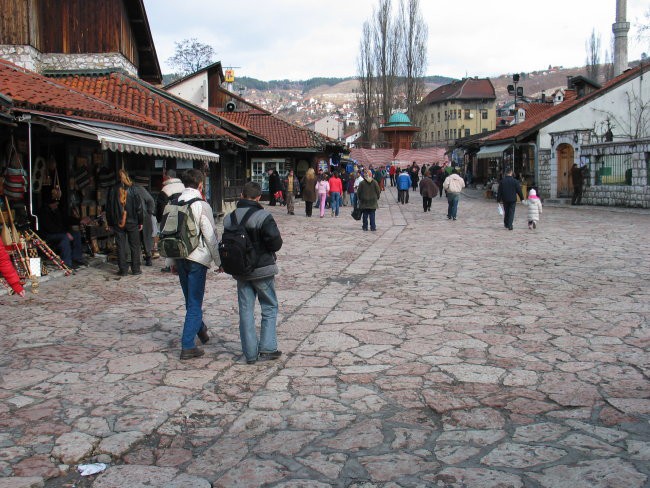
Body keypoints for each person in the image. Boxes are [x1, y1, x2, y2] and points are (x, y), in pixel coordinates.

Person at [223, 181, 283, 364]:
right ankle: (267, 348)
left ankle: (249, 353)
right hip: (262, 269)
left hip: (240, 270)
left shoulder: (229, 218)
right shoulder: (263, 216)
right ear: (258, 198)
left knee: (245, 310)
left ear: (241, 195)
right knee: (269, 306)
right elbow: (276, 243)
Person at [170, 169, 221, 360]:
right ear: (201, 184)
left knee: (190, 299)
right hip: (197, 259)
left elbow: (169, 232)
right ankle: (188, 345)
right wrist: (219, 261)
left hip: (180, 256)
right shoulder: (201, 205)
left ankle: (200, 329)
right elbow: (210, 236)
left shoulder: (174, 202)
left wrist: (171, 260)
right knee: (194, 302)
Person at [106, 169, 143, 276]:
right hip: (132, 221)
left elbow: (109, 208)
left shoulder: (113, 189)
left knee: (120, 246)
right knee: (135, 246)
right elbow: (139, 207)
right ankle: (136, 269)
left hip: (118, 221)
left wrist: (110, 222)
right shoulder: (133, 188)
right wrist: (140, 221)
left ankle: (123, 270)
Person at [38, 197, 86, 269]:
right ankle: (67, 263)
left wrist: (79, 221)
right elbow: (51, 228)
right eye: (55, 204)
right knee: (65, 238)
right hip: (48, 235)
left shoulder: (56, 211)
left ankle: (76, 258)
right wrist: (65, 233)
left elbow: (66, 219)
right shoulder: (43, 213)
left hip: (59, 232)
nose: (57, 206)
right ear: (51, 204)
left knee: (76, 234)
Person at [156, 169, 185, 273]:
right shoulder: (183, 187)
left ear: (168, 177)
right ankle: (181, 261)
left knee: (168, 241)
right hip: (183, 217)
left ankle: (169, 265)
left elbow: (160, 207)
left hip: (169, 218)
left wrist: (160, 220)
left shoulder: (166, 189)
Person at [133, 177, 156, 266]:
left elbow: (150, 200)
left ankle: (148, 257)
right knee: (136, 239)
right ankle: (138, 259)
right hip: (134, 217)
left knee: (145, 237)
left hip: (144, 216)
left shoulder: (139, 188)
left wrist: (149, 212)